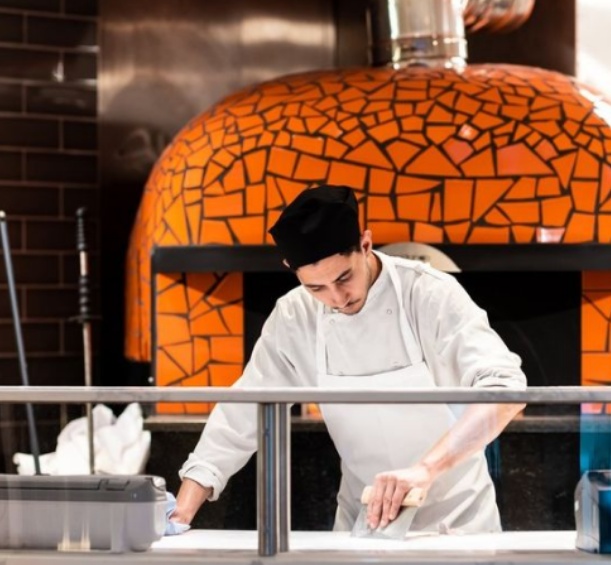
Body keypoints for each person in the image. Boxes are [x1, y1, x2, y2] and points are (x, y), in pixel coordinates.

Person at [167, 185, 527, 535]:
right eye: (316, 288)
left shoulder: (428, 293)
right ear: (291, 269)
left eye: (344, 277)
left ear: (366, 245)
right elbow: (244, 410)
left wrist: (424, 471)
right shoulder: (295, 316)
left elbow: (505, 390)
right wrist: (182, 509)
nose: (337, 298)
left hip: (456, 522)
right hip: (364, 523)